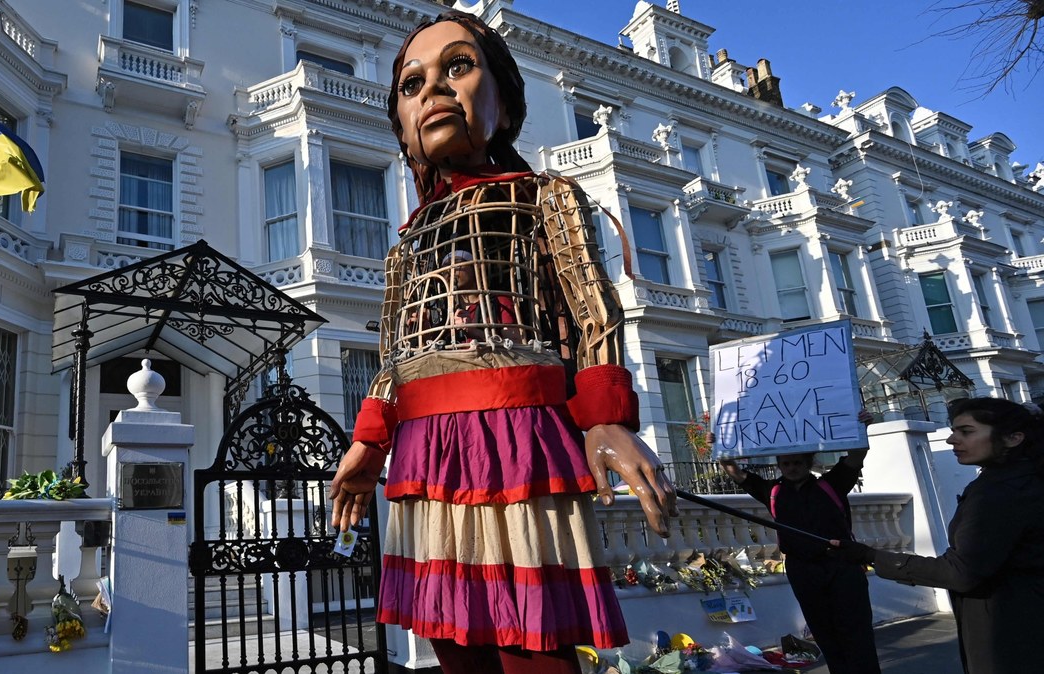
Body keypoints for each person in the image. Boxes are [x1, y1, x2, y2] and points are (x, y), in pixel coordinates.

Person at [328, 11, 677, 674]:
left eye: (457, 67)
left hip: (514, 435)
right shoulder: (402, 249)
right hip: (425, 450)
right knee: (453, 639)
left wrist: (604, 417)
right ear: (401, 123)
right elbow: (393, 357)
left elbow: (590, 309)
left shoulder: (543, 196)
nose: (431, 90)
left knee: (529, 640)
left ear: (505, 101)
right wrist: (369, 440)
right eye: (411, 84)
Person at [831, 398, 1044, 674]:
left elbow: (960, 572)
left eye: (966, 432)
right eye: (953, 430)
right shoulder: (1014, 480)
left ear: (1014, 438)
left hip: (1012, 635)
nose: (952, 440)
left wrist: (871, 556)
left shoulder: (1001, 492)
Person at [719, 411, 881, 674]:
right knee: (824, 633)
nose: (791, 467)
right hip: (803, 571)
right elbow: (735, 473)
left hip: (842, 568)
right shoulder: (772, 490)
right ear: (779, 465)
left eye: (796, 462)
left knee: (857, 633)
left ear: (808, 462)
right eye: (786, 463)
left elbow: (856, 457)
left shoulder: (832, 483)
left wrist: (859, 427)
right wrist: (722, 445)